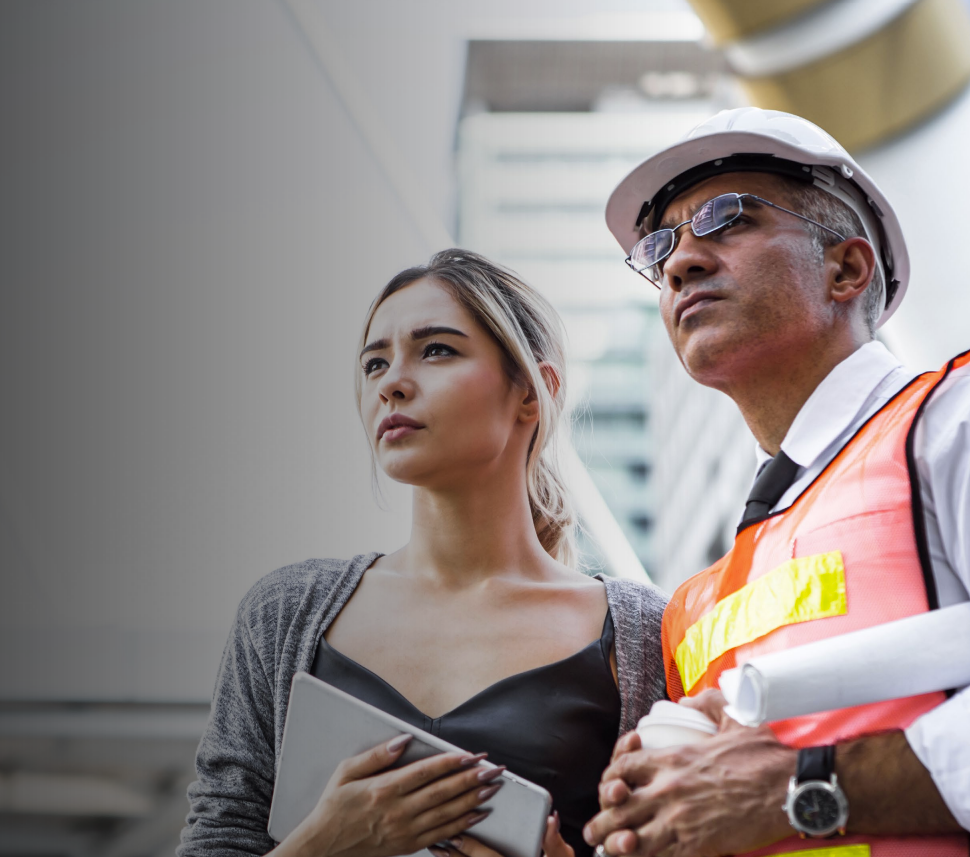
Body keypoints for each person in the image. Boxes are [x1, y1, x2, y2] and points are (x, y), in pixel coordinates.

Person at [177, 249, 668, 857]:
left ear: (533, 393)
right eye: (374, 363)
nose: (392, 383)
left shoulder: (647, 634)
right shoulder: (282, 616)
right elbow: (216, 840)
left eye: (436, 350)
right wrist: (325, 845)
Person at [582, 108, 970, 856]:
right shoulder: (691, 606)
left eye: (728, 219)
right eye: (660, 244)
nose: (679, 262)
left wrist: (799, 788)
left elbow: (756, 794)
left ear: (846, 269)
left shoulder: (949, 423)